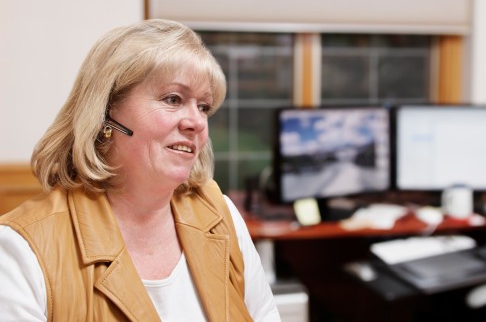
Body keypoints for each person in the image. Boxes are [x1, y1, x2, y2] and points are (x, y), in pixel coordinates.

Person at [0, 19, 281, 321]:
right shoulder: (20, 251)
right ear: (106, 112)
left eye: (203, 106)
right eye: (173, 99)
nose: (197, 123)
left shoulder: (221, 215)